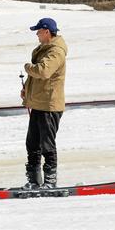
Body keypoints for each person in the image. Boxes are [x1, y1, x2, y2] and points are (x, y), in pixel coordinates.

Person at [21, 17, 68, 189]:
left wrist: (27, 67)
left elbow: (43, 71)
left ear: (47, 31)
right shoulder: (45, 50)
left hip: (49, 105)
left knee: (47, 144)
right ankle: (34, 180)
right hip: (39, 103)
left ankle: (50, 180)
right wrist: (27, 90)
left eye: (39, 31)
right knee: (32, 144)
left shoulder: (56, 51)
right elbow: (38, 78)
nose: (37, 35)